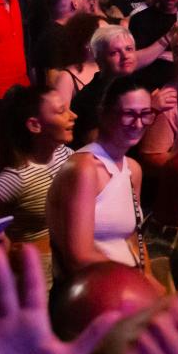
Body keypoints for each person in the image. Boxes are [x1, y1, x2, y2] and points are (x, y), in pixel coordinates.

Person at [46, 76, 154, 281]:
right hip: (91, 293)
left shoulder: (133, 169)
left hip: (126, 285)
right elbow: (79, 256)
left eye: (145, 114)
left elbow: (132, 238)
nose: (138, 123)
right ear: (104, 114)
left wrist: (148, 277)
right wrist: (134, 280)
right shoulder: (84, 168)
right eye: (129, 114)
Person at [0, 83, 76, 281]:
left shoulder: (65, 155)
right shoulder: (16, 178)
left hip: (66, 263)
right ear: (34, 125)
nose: (73, 116)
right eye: (61, 111)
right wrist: (5, 250)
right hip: (38, 274)